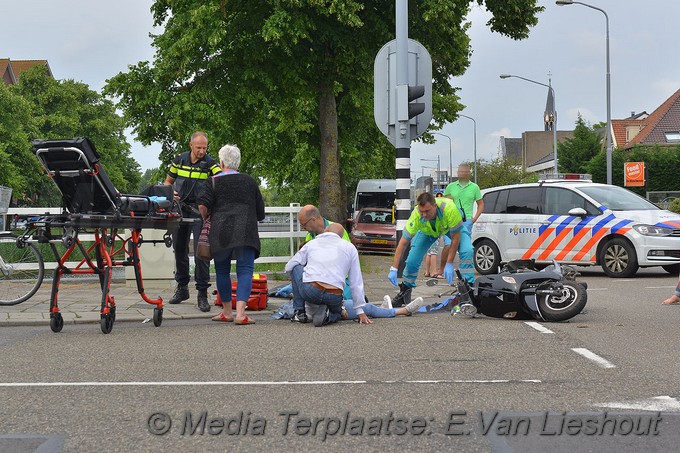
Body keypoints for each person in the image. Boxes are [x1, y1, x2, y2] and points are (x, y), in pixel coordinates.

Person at [197, 144, 265, 325]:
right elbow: (261, 212)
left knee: (222, 271)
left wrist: (208, 217)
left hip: (221, 231)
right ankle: (241, 314)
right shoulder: (250, 182)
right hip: (246, 230)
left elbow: (203, 206)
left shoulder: (213, 181)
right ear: (238, 162)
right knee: (245, 271)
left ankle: (227, 312)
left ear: (221, 162)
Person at [165, 131, 221, 312]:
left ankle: (202, 293)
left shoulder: (211, 164)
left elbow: (221, 182)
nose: (202, 151)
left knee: (201, 252)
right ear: (191, 145)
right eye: (199, 148)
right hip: (180, 210)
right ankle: (182, 288)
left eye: (205, 147)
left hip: (200, 212)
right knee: (179, 250)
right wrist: (169, 193)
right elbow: (168, 182)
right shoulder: (178, 160)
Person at [285, 223, 371, 327]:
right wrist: (359, 310)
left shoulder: (311, 244)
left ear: (326, 231)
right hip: (335, 294)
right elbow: (356, 281)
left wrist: (298, 283)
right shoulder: (350, 248)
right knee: (336, 311)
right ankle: (331, 314)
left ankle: (299, 313)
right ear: (340, 236)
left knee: (296, 267)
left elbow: (289, 266)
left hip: (311, 291)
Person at [388, 192, 464, 306]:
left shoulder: (449, 209)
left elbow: (456, 238)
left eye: (427, 211)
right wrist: (394, 268)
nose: (424, 215)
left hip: (448, 228)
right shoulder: (416, 215)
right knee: (412, 261)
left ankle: (468, 291)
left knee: (467, 250)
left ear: (435, 206)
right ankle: (405, 293)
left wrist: (449, 262)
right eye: (421, 211)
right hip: (427, 233)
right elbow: (403, 243)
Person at [291, 205, 351, 323]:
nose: (303, 228)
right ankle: (333, 311)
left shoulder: (338, 231)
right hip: (332, 285)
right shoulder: (310, 235)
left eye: (304, 225)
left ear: (313, 220)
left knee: (296, 270)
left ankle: (300, 312)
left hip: (342, 281)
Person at [437, 163, 483, 283]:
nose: (461, 173)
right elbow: (444, 202)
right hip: (451, 221)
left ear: (469, 173)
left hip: (466, 221)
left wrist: (474, 219)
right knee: (448, 245)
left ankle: (466, 279)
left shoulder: (474, 187)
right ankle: (442, 269)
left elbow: (480, 204)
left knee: (466, 249)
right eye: (459, 171)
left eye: (463, 171)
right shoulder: (451, 186)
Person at [341, 295, 427, 320]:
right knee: (368, 308)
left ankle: (382, 309)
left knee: (362, 303)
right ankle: (404, 311)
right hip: (330, 308)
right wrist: (341, 308)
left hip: (334, 303)